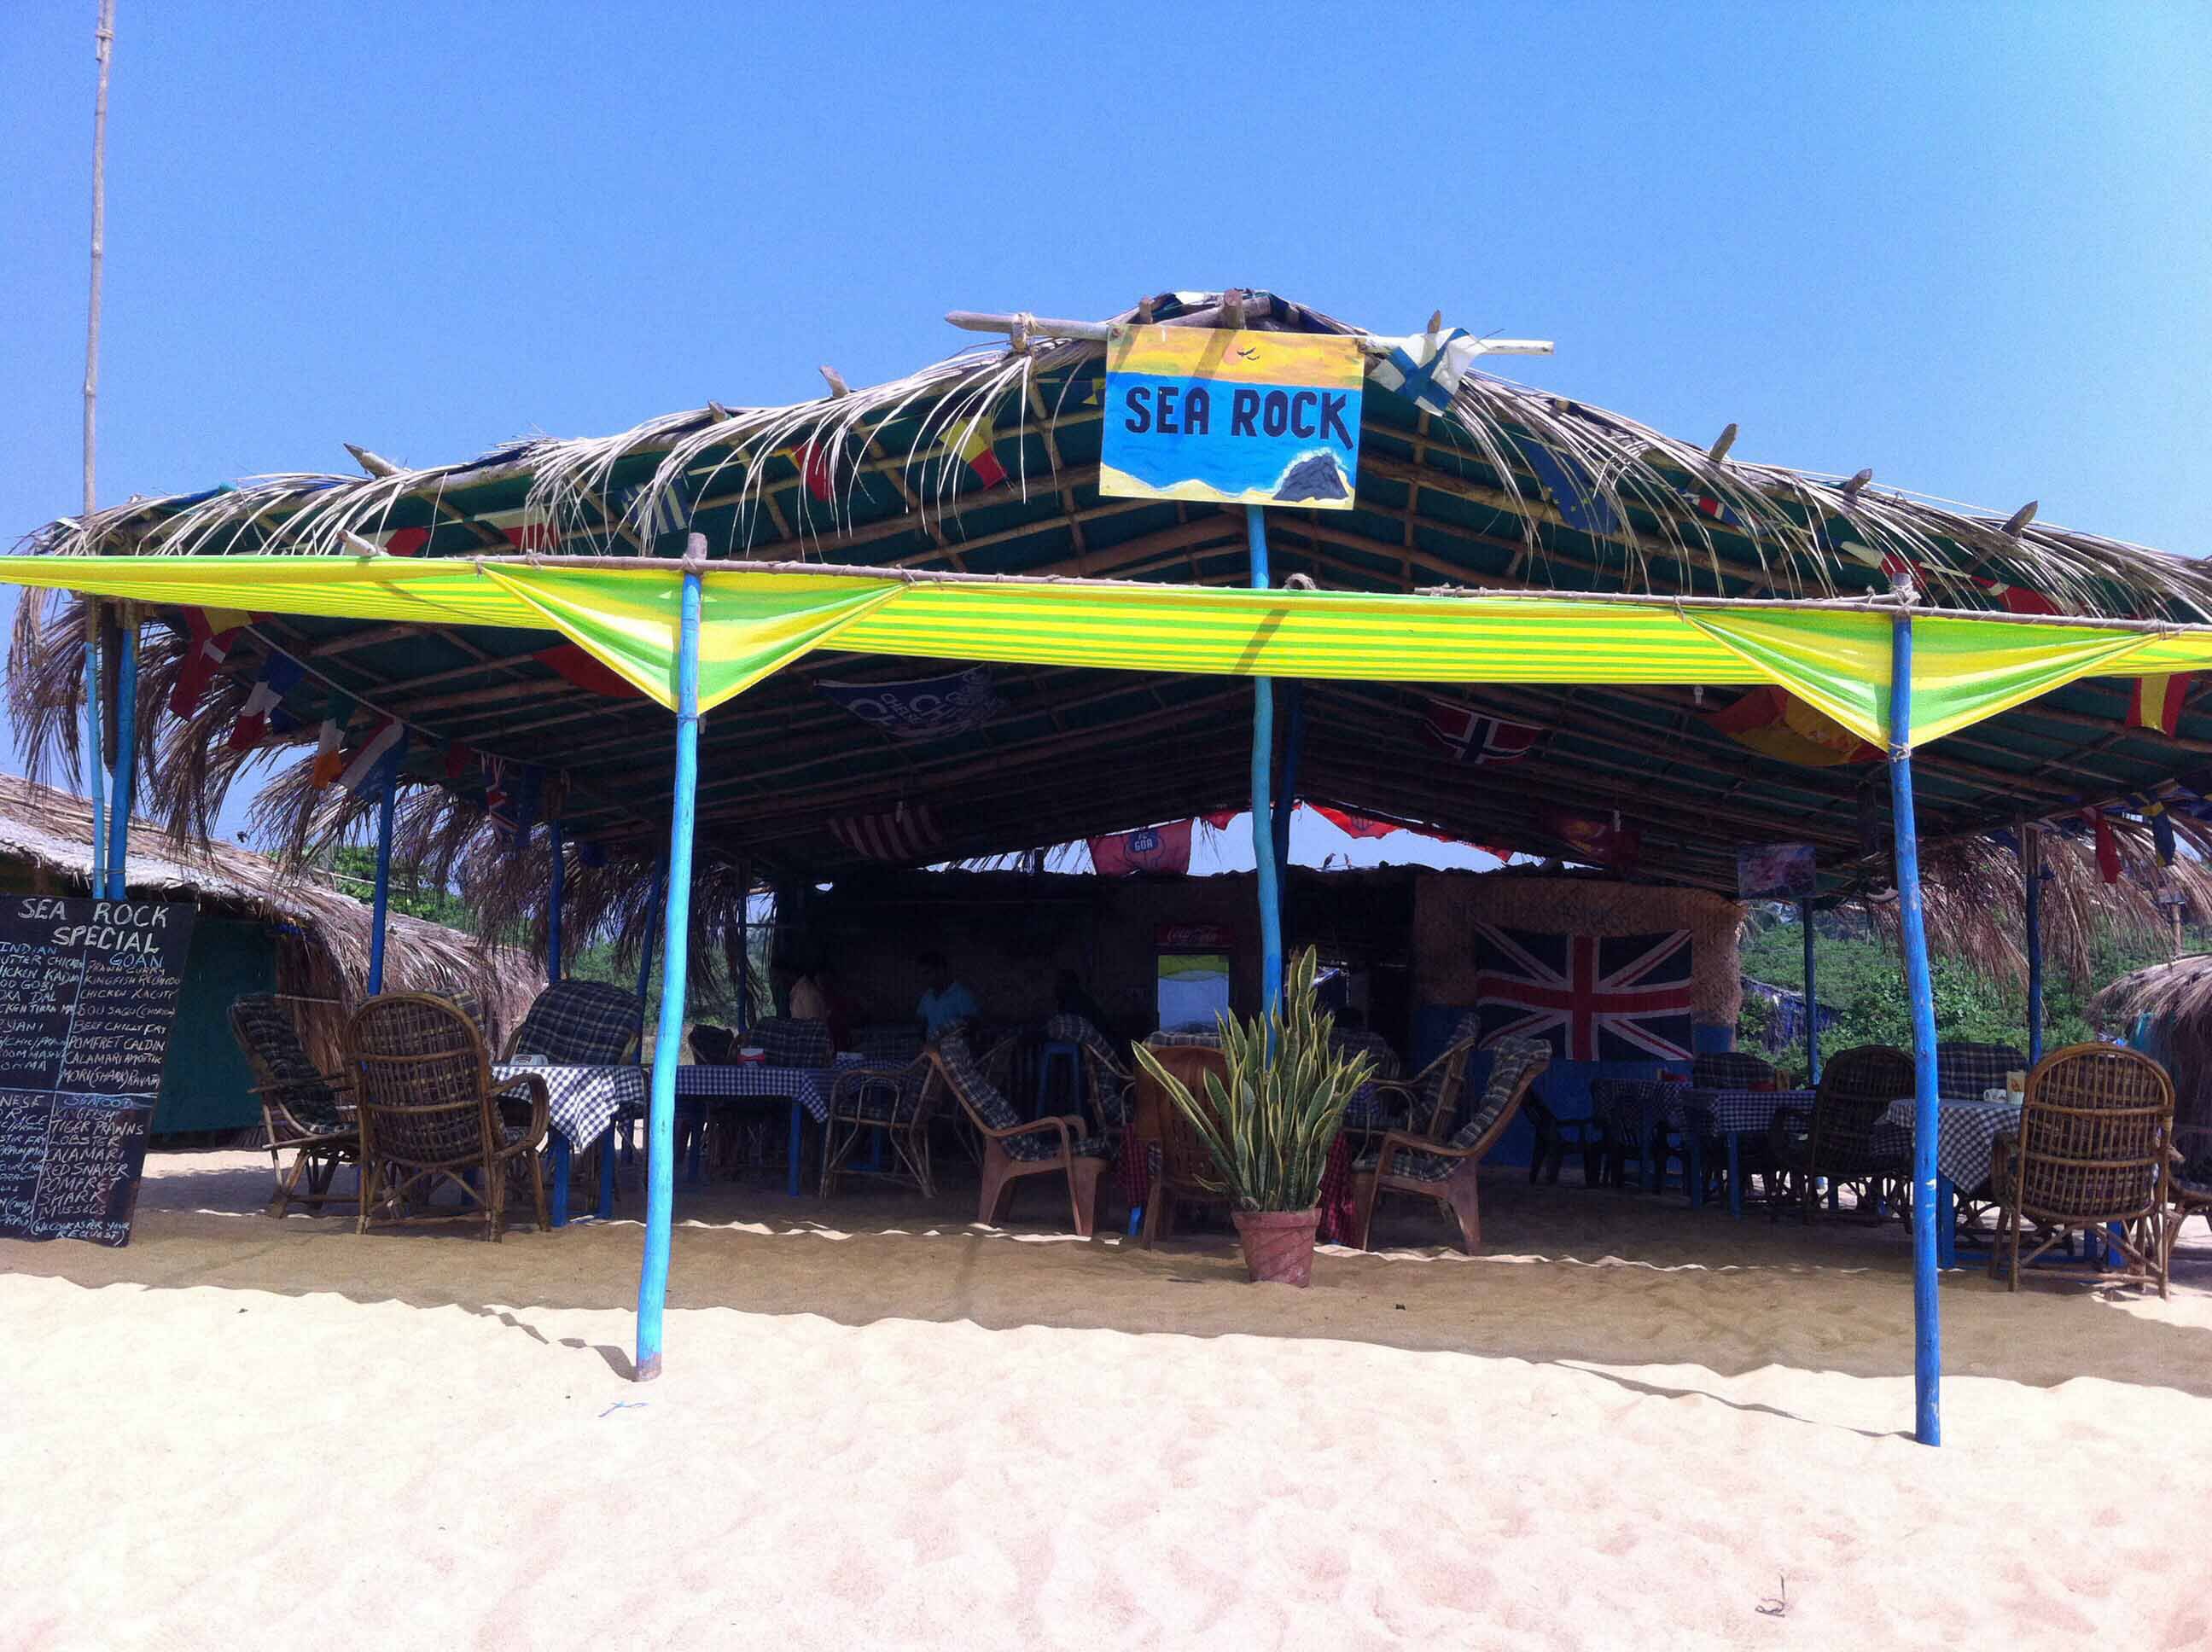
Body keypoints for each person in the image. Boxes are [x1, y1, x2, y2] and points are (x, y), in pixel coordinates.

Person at [916, 951, 979, 1040]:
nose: (924, 978)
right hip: (932, 1050)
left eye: (927, 973)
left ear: (941, 970)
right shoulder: (927, 997)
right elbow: (922, 1025)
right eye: (922, 974)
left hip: (955, 1050)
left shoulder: (961, 995)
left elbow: (973, 1024)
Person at [1052, 968, 1110, 1032]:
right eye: (1057, 982)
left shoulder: (1075, 1003)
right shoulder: (1078, 999)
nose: (1056, 986)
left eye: (1060, 982)